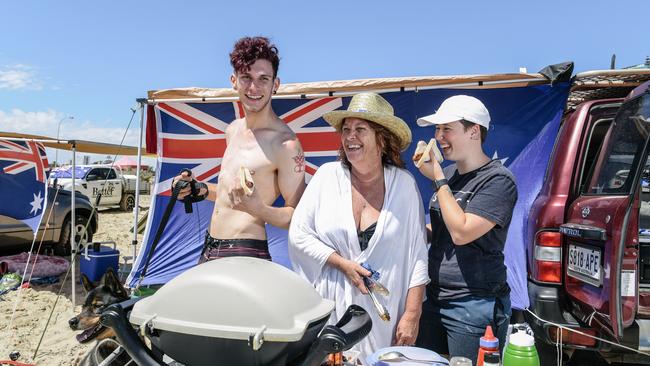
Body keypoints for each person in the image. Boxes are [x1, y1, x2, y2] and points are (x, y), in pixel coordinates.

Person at [288, 92, 429, 359]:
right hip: (331, 313)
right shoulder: (326, 177)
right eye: (346, 129)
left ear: (382, 139)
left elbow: (418, 256)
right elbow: (298, 235)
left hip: (385, 317)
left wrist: (412, 313)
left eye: (360, 129)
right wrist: (341, 263)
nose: (350, 136)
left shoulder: (404, 185)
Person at [174, 36, 305, 262]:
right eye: (246, 77)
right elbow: (231, 194)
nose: (254, 87)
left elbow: (299, 218)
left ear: (275, 84)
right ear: (234, 81)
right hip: (208, 247)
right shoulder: (232, 130)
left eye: (263, 79)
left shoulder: (286, 145)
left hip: (246, 252)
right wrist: (200, 189)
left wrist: (259, 209)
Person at [413, 95, 518, 364]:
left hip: (474, 304)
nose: (438, 137)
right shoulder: (449, 175)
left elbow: (462, 232)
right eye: (437, 129)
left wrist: (436, 177)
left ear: (474, 131)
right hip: (435, 297)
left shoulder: (498, 180)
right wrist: (407, 232)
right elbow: (443, 230)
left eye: (447, 128)